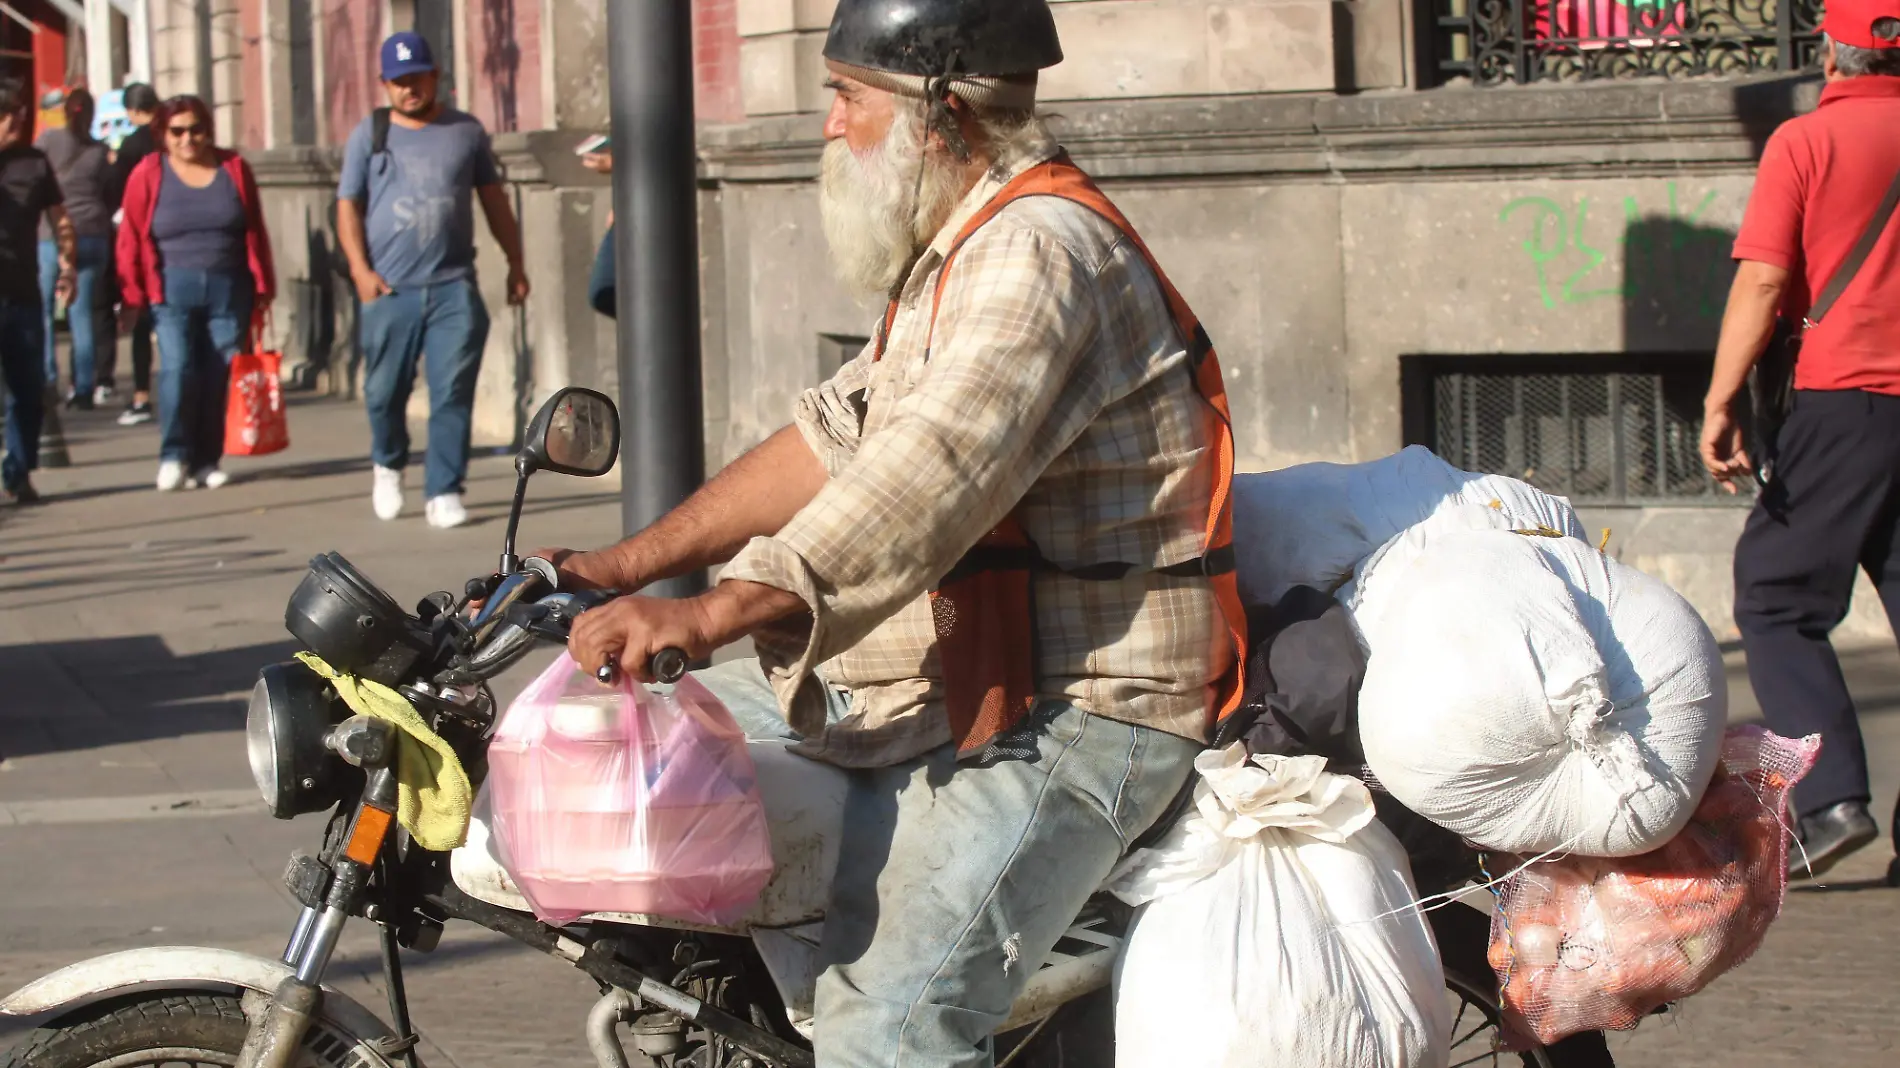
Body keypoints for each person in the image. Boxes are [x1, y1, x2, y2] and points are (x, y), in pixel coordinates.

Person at [545, 1, 1247, 1062]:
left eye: (847, 96)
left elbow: (925, 483)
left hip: (1085, 701)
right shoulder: (960, 244)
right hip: (971, 668)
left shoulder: (1036, 255)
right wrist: (620, 564)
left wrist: (717, 609)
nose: (830, 125)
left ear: (940, 112)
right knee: (661, 745)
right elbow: (836, 439)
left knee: (888, 1024)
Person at [1702, 0, 1900, 880]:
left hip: (1848, 392)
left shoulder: (1805, 142)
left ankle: (1833, 802)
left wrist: (1720, 399)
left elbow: (1765, 279)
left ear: (1832, 52)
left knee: (1777, 595)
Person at [336, 31, 529, 529]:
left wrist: (516, 262)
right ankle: (389, 463)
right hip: (389, 289)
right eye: (398, 81)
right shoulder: (370, 134)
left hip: (452, 286)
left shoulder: (466, 131)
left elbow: (493, 200)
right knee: (383, 391)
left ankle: (444, 488)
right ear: (384, 84)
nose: (409, 89)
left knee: (452, 392)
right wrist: (360, 270)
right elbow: (348, 206)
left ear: (435, 76)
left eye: (417, 77)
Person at [116, 95, 276, 491]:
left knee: (218, 373)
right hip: (170, 288)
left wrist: (263, 284)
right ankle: (174, 454)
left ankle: (207, 459)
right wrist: (132, 292)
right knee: (177, 369)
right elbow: (131, 237)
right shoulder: (148, 173)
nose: (188, 139)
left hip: (229, 288)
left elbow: (254, 228)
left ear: (208, 130)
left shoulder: (234, 168)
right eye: (178, 131)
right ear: (163, 134)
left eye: (196, 129)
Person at [0, 76, 78, 504]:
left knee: (27, 389)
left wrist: (68, 265)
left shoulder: (34, 162)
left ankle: (19, 473)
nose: (14, 119)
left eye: (17, 111)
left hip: (22, 295)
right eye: (4, 112)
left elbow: (60, 219)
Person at [35, 88, 113, 409]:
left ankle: (47, 381)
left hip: (51, 235)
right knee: (83, 315)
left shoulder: (48, 141)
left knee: (43, 314)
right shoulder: (99, 151)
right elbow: (109, 193)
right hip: (93, 234)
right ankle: (84, 387)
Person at [107, 82, 161, 425]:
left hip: (143, 240)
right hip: (179, 240)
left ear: (132, 111)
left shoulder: (131, 146)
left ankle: (142, 394)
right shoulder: (169, 139)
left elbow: (114, 190)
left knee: (141, 321)